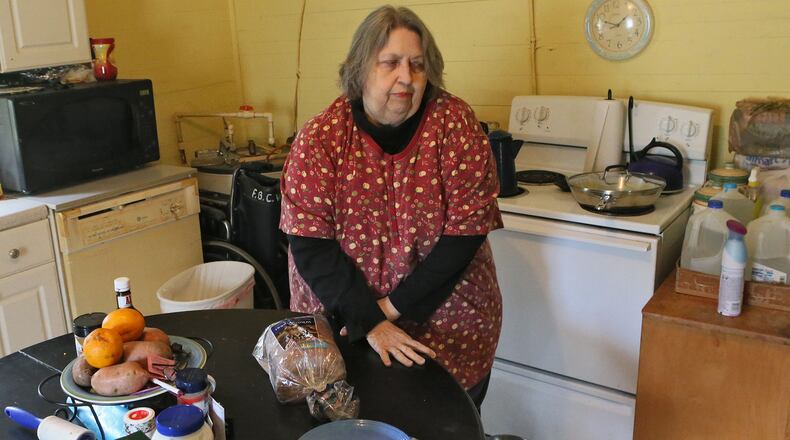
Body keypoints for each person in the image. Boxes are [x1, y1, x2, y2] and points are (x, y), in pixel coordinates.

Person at [279, 5, 503, 410]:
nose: (407, 77)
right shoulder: (321, 138)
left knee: (444, 425)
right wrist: (367, 320)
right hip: (342, 319)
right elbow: (311, 246)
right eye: (391, 63)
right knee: (351, 422)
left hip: (449, 325)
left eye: (418, 65)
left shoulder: (455, 125)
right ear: (359, 69)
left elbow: (463, 237)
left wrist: (387, 311)